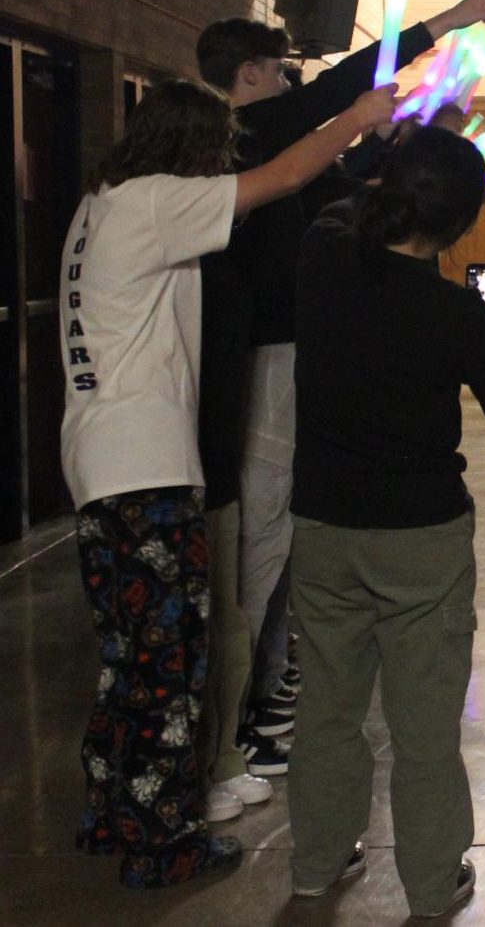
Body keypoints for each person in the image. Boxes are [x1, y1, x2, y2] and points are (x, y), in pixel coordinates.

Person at [60, 78, 397, 888]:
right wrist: (355, 119)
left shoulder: (100, 204)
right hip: (145, 471)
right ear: (190, 148)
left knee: (129, 658)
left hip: (101, 465)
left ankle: (111, 812)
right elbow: (278, 178)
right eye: (216, 149)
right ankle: (160, 839)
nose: (223, 165)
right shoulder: (151, 203)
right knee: (171, 663)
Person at [194, 0, 485, 777]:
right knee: (263, 536)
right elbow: (342, 99)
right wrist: (448, 21)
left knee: (280, 535)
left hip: (278, 355)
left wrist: (395, 133)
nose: (298, 89)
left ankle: (269, 685)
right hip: (263, 358)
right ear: (254, 73)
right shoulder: (248, 133)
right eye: (283, 75)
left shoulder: (261, 147)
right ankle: (247, 718)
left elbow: (348, 168)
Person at [287, 125, 485, 916]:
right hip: (420, 532)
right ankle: (430, 884)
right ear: (461, 222)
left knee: (326, 705)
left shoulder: (322, 261)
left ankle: (317, 863)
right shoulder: (455, 310)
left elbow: (336, 198)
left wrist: (377, 153)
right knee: (424, 719)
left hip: (324, 519)